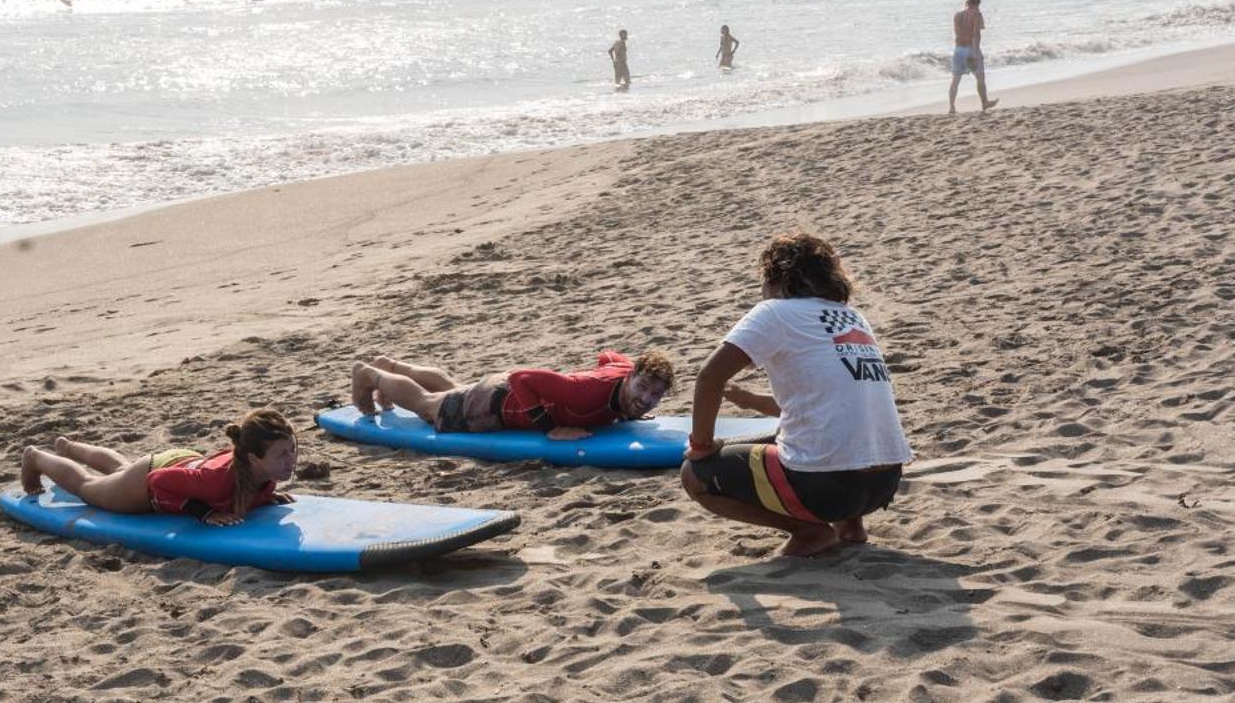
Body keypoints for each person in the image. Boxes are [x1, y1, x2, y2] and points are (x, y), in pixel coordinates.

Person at [681, 234, 913, 559]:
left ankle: (809, 533)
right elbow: (820, 404)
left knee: (695, 475)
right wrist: (750, 399)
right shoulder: (852, 317)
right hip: (885, 483)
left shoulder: (774, 312)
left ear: (777, 278)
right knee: (801, 434)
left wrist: (702, 447)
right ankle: (852, 528)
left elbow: (709, 376)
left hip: (827, 487)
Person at [18, 410, 297, 526]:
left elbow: (241, 486)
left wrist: (263, 496)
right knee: (87, 487)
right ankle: (35, 457)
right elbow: (157, 480)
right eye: (283, 453)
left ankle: (69, 448)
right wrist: (205, 513)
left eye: (292, 450)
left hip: (184, 462)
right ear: (253, 458)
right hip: (151, 481)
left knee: (121, 468)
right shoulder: (214, 481)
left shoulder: (262, 473)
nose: (291, 459)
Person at [351, 349, 674, 439]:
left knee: (452, 389)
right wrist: (550, 427)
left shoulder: (625, 372)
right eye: (642, 388)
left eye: (655, 395)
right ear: (631, 376)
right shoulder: (583, 393)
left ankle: (390, 363)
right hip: (498, 403)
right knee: (429, 406)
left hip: (499, 389)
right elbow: (522, 377)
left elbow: (608, 355)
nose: (646, 399)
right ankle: (371, 374)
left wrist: (632, 398)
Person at [948, 0, 997, 115]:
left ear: (968, 0)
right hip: (971, 49)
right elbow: (976, 34)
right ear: (979, 1)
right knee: (980, 78)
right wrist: (975, 53)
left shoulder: (957, 15)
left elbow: (957, 33)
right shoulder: (977, 15)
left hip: (958, 49)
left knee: (955, 80)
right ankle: (984, 102)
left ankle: (952, 107)